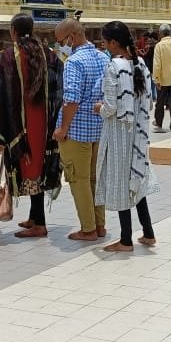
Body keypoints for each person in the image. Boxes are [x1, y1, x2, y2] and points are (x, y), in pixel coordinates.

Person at [94, 21, 159, 252]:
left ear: (113, 43)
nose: (104, 45)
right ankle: (148, 232)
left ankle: (126, 239)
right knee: (136, 178)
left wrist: (99, 108)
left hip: (119, 133)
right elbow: (147, 97)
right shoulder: (140, 62)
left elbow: (111, 107)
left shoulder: (114, 67)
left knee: (122, 184)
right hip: (138, 132)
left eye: (104, 41)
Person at [0, 14, 62, 239]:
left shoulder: (9, 56)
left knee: (29, 166)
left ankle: (40, 224)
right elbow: (58, 86)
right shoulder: (49, 54)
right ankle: (35, 216)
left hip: (22, 124)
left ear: (13, 30)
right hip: (44, 122)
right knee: (39, 166)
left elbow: (3, 93)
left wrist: (3, 126)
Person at [52, 19, 108, 241]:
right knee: (94, 179)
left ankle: (88, 229)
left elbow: (71, 100)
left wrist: (62, 129)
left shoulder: (74, 62)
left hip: (77, 131)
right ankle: (100, 225)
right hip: (98, 129)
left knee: (79, 180)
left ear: (70, 38)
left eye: (59, 41)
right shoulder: (104, 58)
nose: (59, 46)